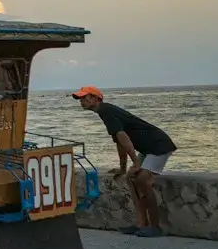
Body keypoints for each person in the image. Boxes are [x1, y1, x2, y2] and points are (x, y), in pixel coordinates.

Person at [72, 86, 176, 237]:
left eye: (84, 97)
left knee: (142, 180)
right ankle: (141, 224)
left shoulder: (106, 111)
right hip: (147, 148)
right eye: (80, 98)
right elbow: (119, 142)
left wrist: (136, 163)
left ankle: (155, 226)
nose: (81, 101)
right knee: (131, 178)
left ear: (96, 98)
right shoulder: (105, 112)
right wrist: (123, 168)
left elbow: (123, 138)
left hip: (158, 145)